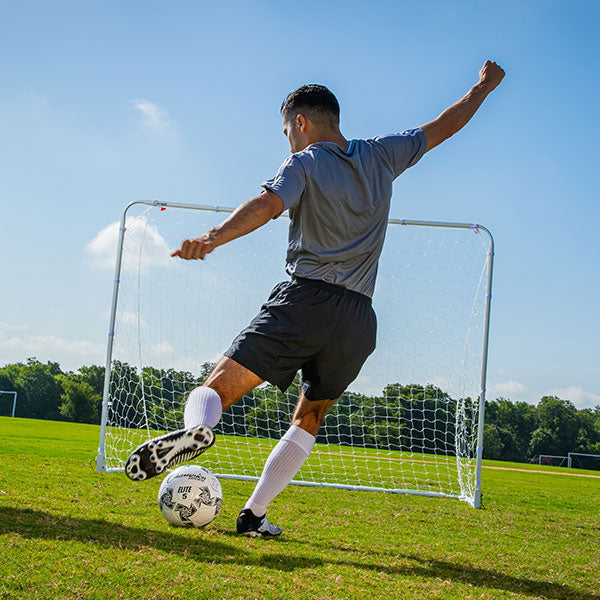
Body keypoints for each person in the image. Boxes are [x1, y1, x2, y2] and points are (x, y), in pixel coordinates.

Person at [125, 60, 505, 537]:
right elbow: (444, 126)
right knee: (310, 415)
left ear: (300, 123)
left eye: (286, 130)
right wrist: (484, 86)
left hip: (305, 301)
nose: (287, 139)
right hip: (359, 320)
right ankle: (254, 515)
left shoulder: (303, 162)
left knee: (217, 388)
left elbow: (267, 205)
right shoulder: (383, 154)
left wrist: (213, 237)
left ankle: (199, 430)